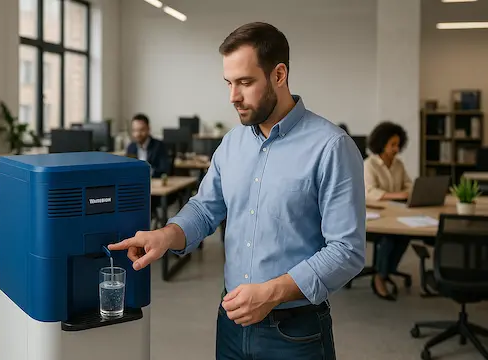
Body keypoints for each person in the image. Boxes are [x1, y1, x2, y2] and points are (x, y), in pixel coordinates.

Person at [109, 22, 365, 359]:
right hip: (231, 322)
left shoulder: (331, 147)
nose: (233, 96)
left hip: (294, 333)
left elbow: (347, 250)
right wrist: (168, 234)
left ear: (279, 75)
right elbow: (205, 208)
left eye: (245, 82)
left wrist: (272, 292)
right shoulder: (232, 143)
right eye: (229, 83)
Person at [364, 121, 412, 301]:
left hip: (396, 212)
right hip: (375, 216)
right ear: (381, 144)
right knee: (389, 238)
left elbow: (408, 184)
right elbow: (369, 192)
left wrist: (409, 191)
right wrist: (397, 194)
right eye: (392, 145)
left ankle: (386, 270)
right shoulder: (370, 165)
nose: (396, 149)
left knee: (405, 235)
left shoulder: (398, 164)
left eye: (398, 144)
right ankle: (379, 277)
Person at [126, 113, 170, 178]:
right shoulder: (131, 147)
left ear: (148, 129)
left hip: (154, 183)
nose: (138, 134)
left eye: (141, 130)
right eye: (135, 130)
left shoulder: (159, 146)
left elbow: (164, 170)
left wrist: (145, 171)